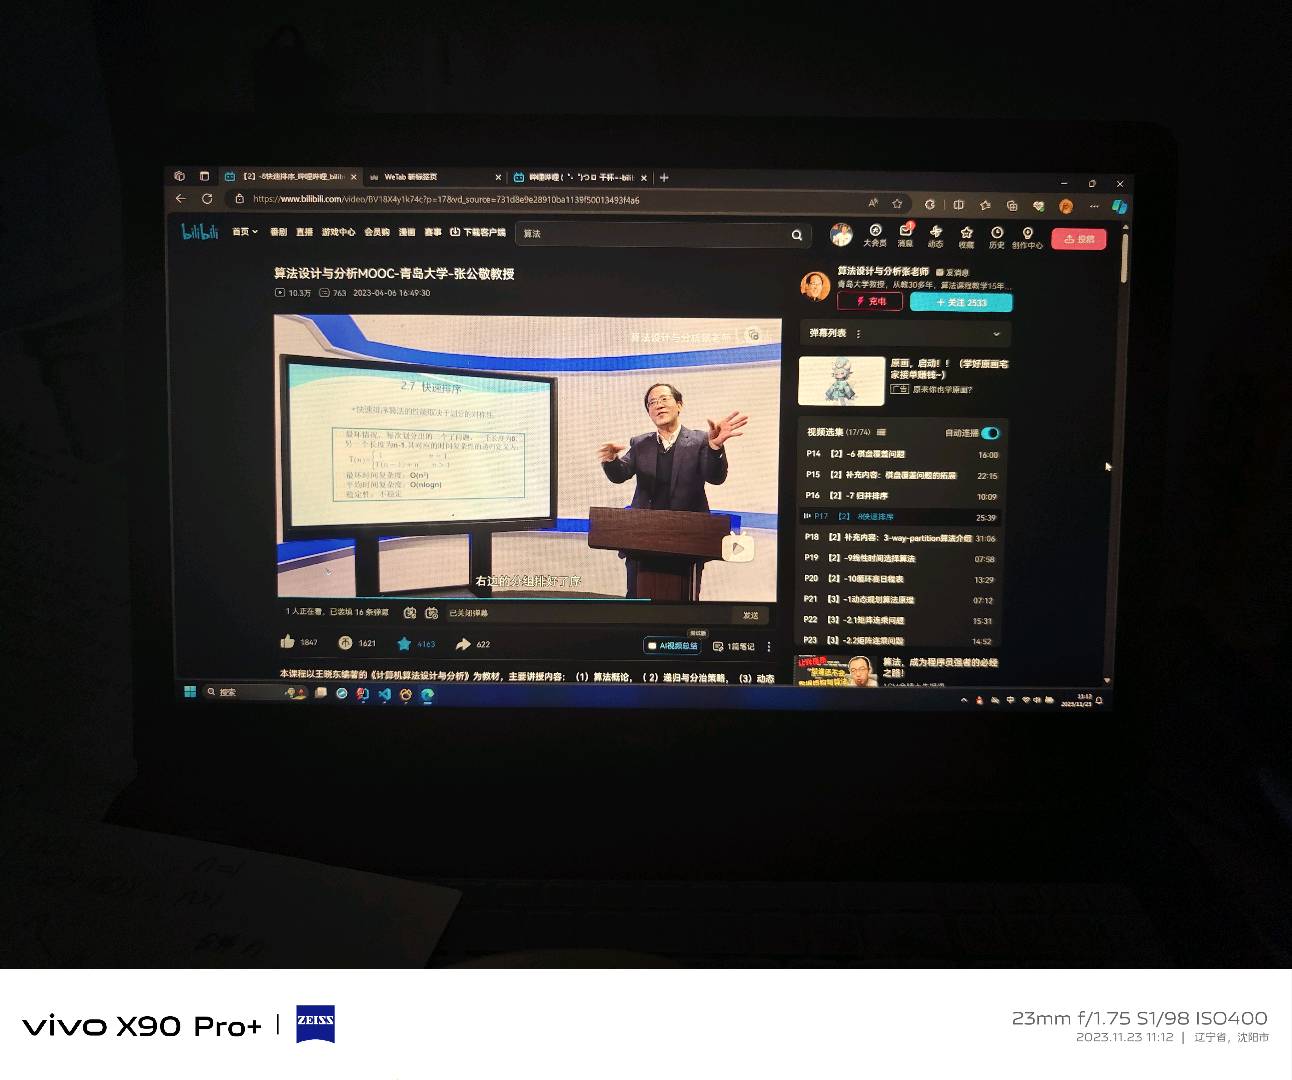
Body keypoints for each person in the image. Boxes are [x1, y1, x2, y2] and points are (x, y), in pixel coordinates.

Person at [598, 383, 748, 598]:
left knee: (683, 604)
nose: (658, 405)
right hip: (642, 540)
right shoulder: (640, 443)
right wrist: (612, 460)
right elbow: (620, 475)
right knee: (637, 602)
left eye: (664, 399)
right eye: (652, 403)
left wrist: (715, 447)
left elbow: (715, 478)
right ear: (649, 412)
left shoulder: (700, 440)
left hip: (687, 541)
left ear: (679, 405)